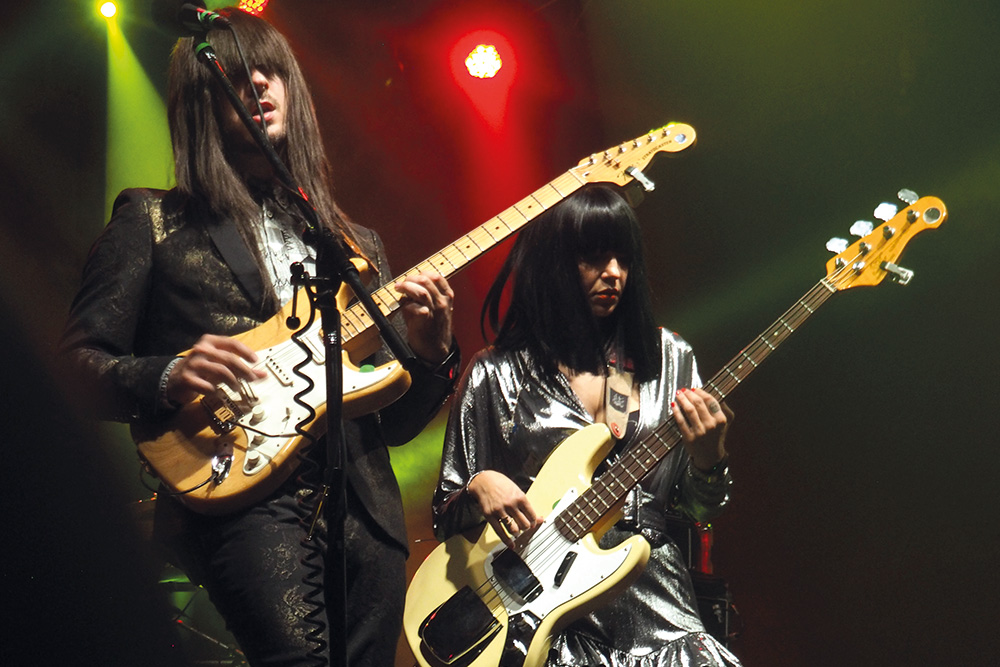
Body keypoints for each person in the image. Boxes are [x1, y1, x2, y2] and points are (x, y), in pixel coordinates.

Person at [60, 9, 458, 667]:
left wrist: (432, 352)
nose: (260, 85)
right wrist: (167, 373)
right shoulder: (153, 222)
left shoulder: (355, 247)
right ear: (201, 100)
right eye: (240, 74)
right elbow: (76, 367)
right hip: (241, 499)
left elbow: (392, 424)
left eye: (272, 71)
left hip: (367, 516)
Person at [432, 185, 741, 666]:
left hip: (659, 608)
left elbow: (698, 508)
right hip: (542, 613)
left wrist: (709, 458)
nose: (614, 273)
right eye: (594, 257)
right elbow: (444, 517)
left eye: (624, 259)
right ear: (554, 263)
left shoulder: (668, 358)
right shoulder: (496, 372)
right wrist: (479, 486)